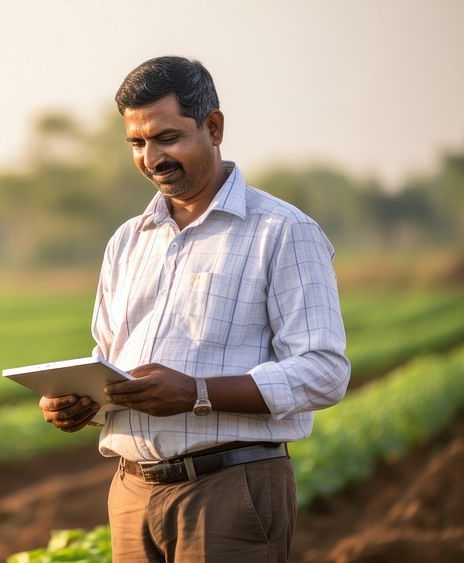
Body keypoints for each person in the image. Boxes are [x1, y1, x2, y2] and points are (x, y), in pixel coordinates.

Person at [38, 56, 350, 562]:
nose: (151, 157)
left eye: (166, 138)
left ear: (214, 126)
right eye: (137, 144)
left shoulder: (282, 232)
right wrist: (83, 402)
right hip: (132, 493)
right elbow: (112, 360)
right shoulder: (127, 241)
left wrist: (197, 393)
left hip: (229, 489)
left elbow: (324, 373)